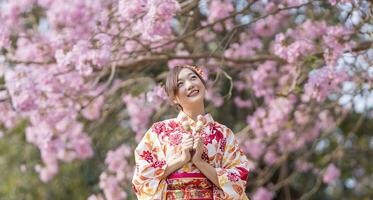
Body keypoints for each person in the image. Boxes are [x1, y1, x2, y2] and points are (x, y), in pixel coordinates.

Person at [132, 65, 251, 200]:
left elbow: (238, 180)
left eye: (193, 78)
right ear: (174, 98)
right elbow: (142, 178)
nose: (189, 85)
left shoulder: (224, 134)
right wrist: (181, 159)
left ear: (203, 85)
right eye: (180, 84)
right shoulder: (158, 132)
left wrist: (200, 162)